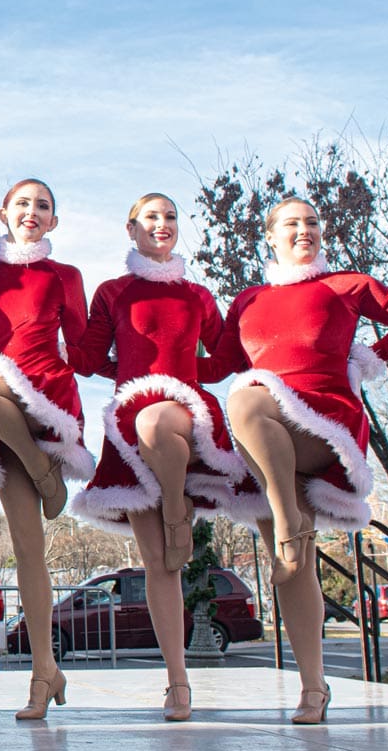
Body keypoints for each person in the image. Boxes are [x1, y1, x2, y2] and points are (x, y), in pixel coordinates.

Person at [219, 197, 388, 724]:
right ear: (270, 236)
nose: (305, 230)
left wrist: (366, 358)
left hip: (323, 421)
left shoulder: (346, 286)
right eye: (291, 223)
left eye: (312, 222)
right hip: (268, 441)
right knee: (295, 570)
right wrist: (129, 358)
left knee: (244, 396)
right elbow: (217, 363)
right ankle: (313, 689)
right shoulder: (246, 300)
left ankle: (290, 519)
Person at [69, 193, 256, 722]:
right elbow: (89, 356)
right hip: (130, 424)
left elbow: (220, 361)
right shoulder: (112, 292)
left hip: (183, 412)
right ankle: (177, 683)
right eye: (151, 217)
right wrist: (42, 344)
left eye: (170, 217)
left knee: (157, 419)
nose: (162, 225)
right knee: (159, 564)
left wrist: (252, 329)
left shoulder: (197, 295)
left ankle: (178, 507)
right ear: (131, 229)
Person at [0, 178, 96, 720]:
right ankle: (42, 471)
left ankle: (42, 673)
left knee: (32, 552)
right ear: (2, 213)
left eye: (43, 206)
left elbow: (81, 345)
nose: (32, 212)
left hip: (47, 400)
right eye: (22, 204)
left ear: (53, 220)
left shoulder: (67, 275)